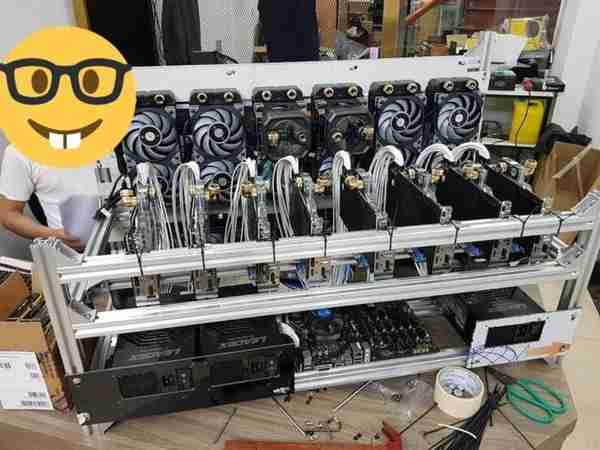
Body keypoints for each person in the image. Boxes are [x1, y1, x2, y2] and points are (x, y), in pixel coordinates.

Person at [0, 144, 98, 251]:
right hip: (75, 252)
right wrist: (55, 236)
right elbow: (8, 214)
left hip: (111, 238)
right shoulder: (19, 152)